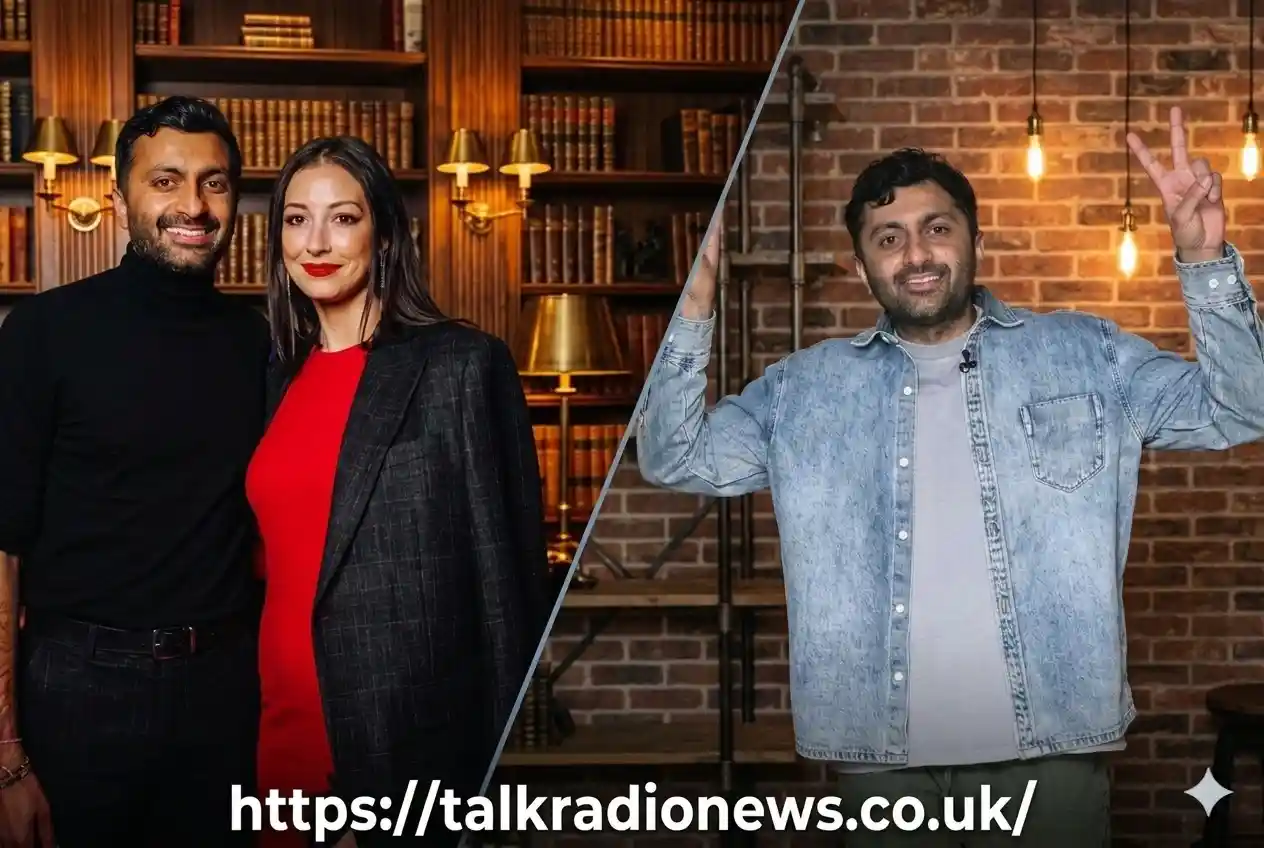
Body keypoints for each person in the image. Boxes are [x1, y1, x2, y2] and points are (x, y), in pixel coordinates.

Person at [636, 106, 1264, 846]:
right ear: (863, 264)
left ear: (975, 240)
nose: (917, 254)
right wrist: (695, 305)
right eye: (888, 238)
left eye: (937, 227)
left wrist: (1204, 263)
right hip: (881, 758)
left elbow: (1242, 409)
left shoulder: (1086, 351)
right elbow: (674, 456)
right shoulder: (801, 390)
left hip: (1050, 749)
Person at [248, 135, 549, 848]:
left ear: (384, 232)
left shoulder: (461, 366)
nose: (316, 241)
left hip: (400, 755)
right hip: (276, 730)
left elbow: (510, 602)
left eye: (343, 218)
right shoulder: (274, 378)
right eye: (296, 219)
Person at [0, 96, 267, 847]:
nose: (193, 205)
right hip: (77, 689)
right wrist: (5, 757)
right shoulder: (42, 334)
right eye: (167, 181)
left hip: (223, 689)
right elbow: (2, 548)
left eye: (215, 183)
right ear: (120, 198)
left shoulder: (260, 343)